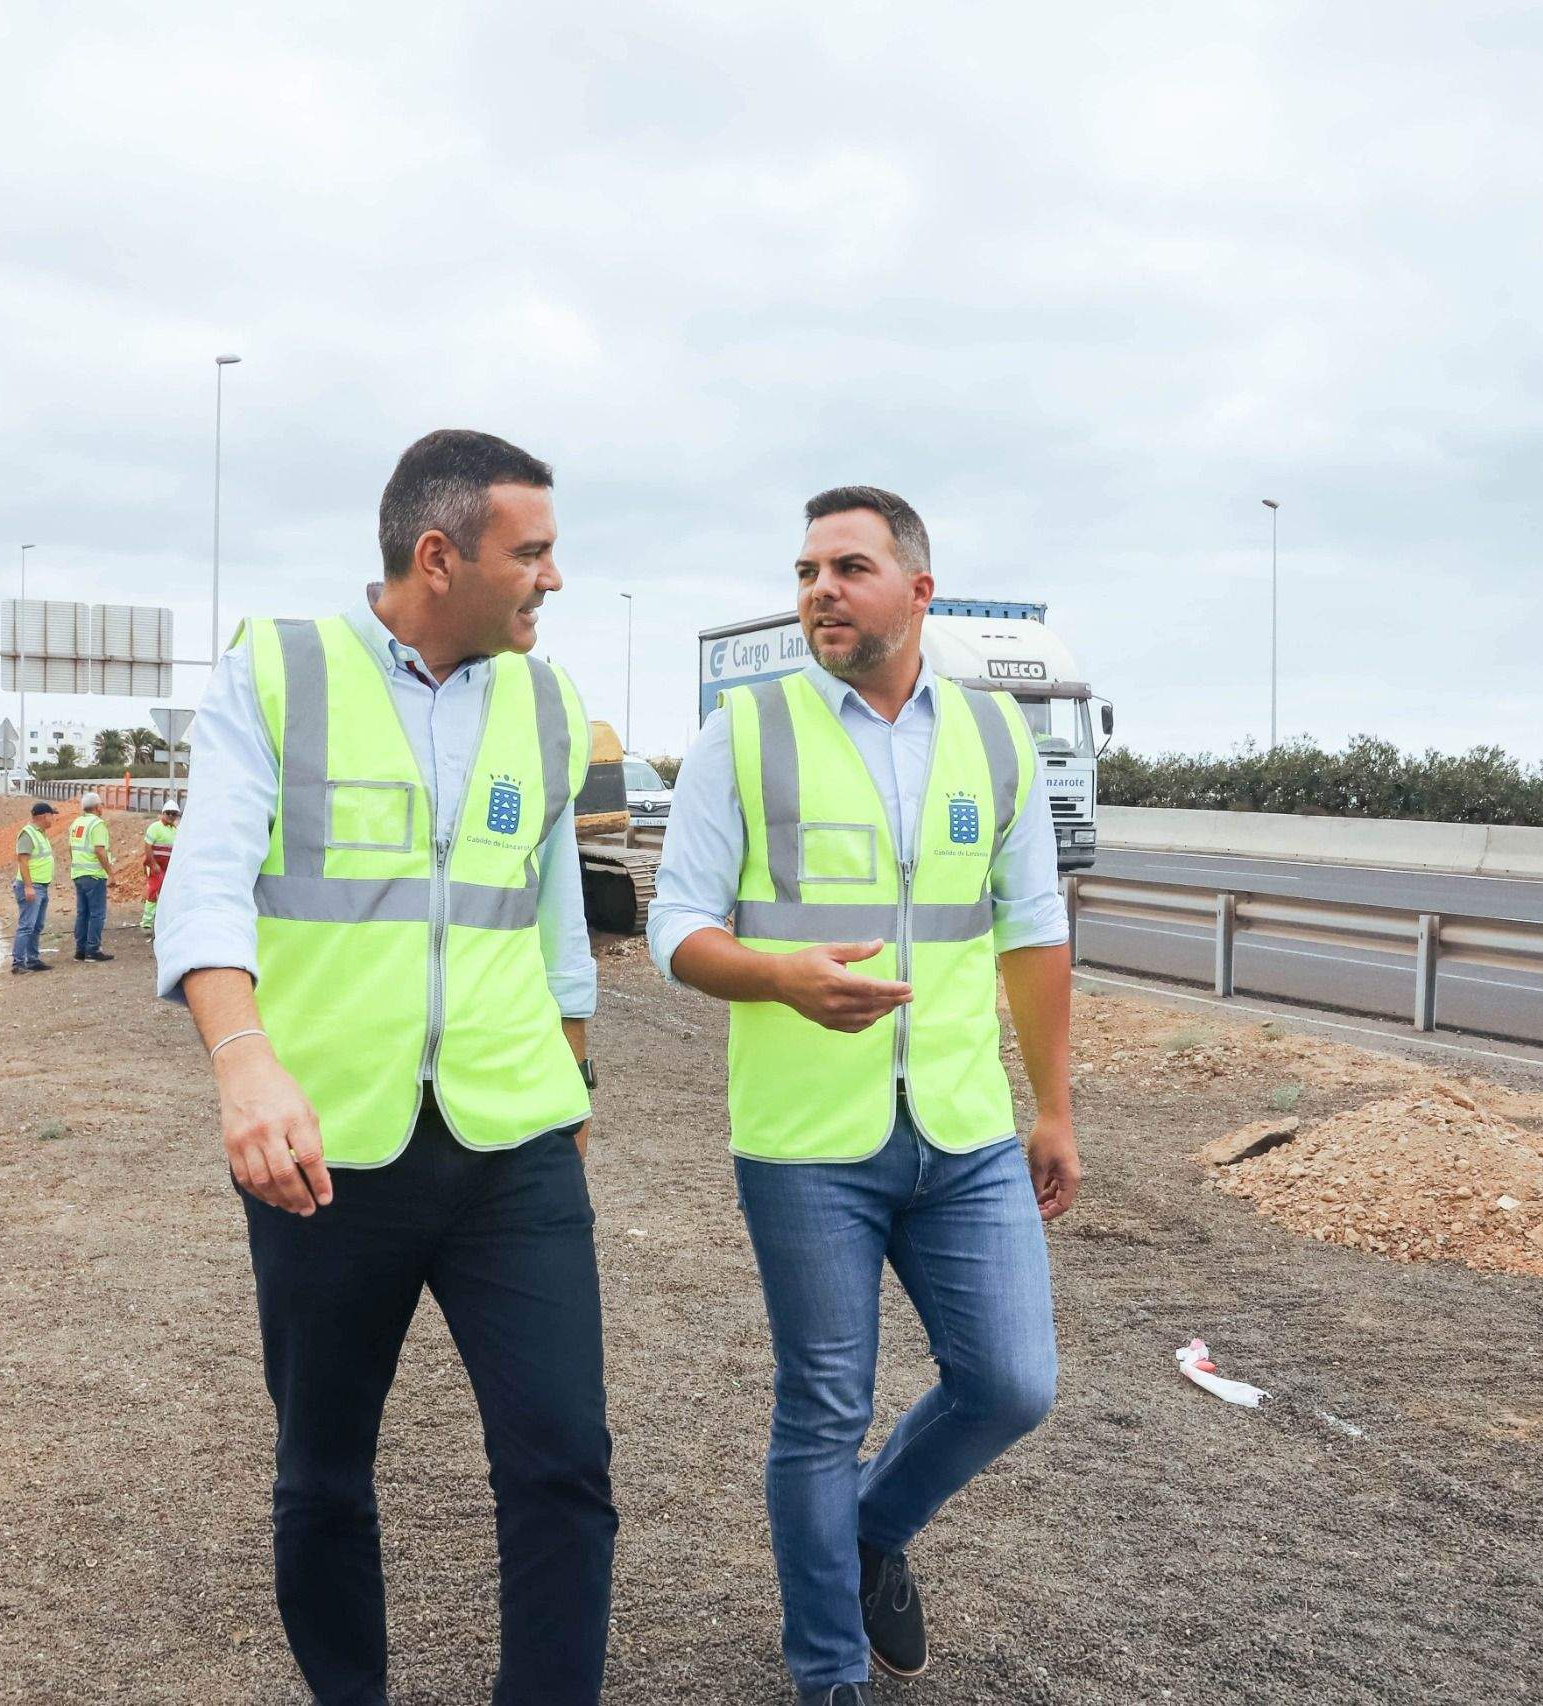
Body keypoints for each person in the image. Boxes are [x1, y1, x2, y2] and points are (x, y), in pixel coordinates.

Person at [154, 428, 613, 1706]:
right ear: (439, 555)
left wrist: (574, 1080)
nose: (553, 577)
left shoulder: (548, 703)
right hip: (326, 1149)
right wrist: (243, 1062)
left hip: (514, 1144)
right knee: (323, 1472)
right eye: (532, 551)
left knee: (563, 1461)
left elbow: (555, 921)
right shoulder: (279, 672)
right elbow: (205, 887)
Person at [647, 486, 1080, 1706]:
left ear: (918, 590)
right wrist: (776, 978)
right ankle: (829, 1676)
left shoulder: (994, 737)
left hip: (964, 1126)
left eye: (847, 567)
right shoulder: (745, 731)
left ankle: (869, 1532)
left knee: (1012, 1382)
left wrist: (1052, 1106)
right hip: (804, 1139)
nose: (819, 590)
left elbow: (1032, 926)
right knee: (822, 1408)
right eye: (805, 572)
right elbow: (675, 926)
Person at [12, 800, 58, 973]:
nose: (53, 819)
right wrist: (28, 887)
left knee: (36, 926)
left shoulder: (40, 834)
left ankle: (32, 959)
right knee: (26, 926)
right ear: (44, 816)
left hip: (41, 886)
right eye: (51, 815)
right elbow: (22, 861)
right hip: (32, 887)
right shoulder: (28, 834)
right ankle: (18, 963)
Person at [67, 790, 113, 963]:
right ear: (97, 807)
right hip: (94, 875)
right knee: (96, 914)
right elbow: (100, 851)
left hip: (78, 874)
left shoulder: (76, 823)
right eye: (101, 805)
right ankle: (93, 950)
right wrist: (110, 873)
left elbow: (71, 848)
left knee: (82, 913)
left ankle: (80, 950)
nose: (102, 808)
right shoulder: (97, 824)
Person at [140, 802, 179, 931]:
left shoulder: (175, 831)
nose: (171, 816)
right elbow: (148, 847)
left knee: (166, 893)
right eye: (168, 813)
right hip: (156, 866)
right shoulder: (155, 827)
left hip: (168, 868)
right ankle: (147, 922)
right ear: (163, 813)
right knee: (154, 890)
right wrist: (153, 864)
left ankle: (161, 920)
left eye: (174, 814)